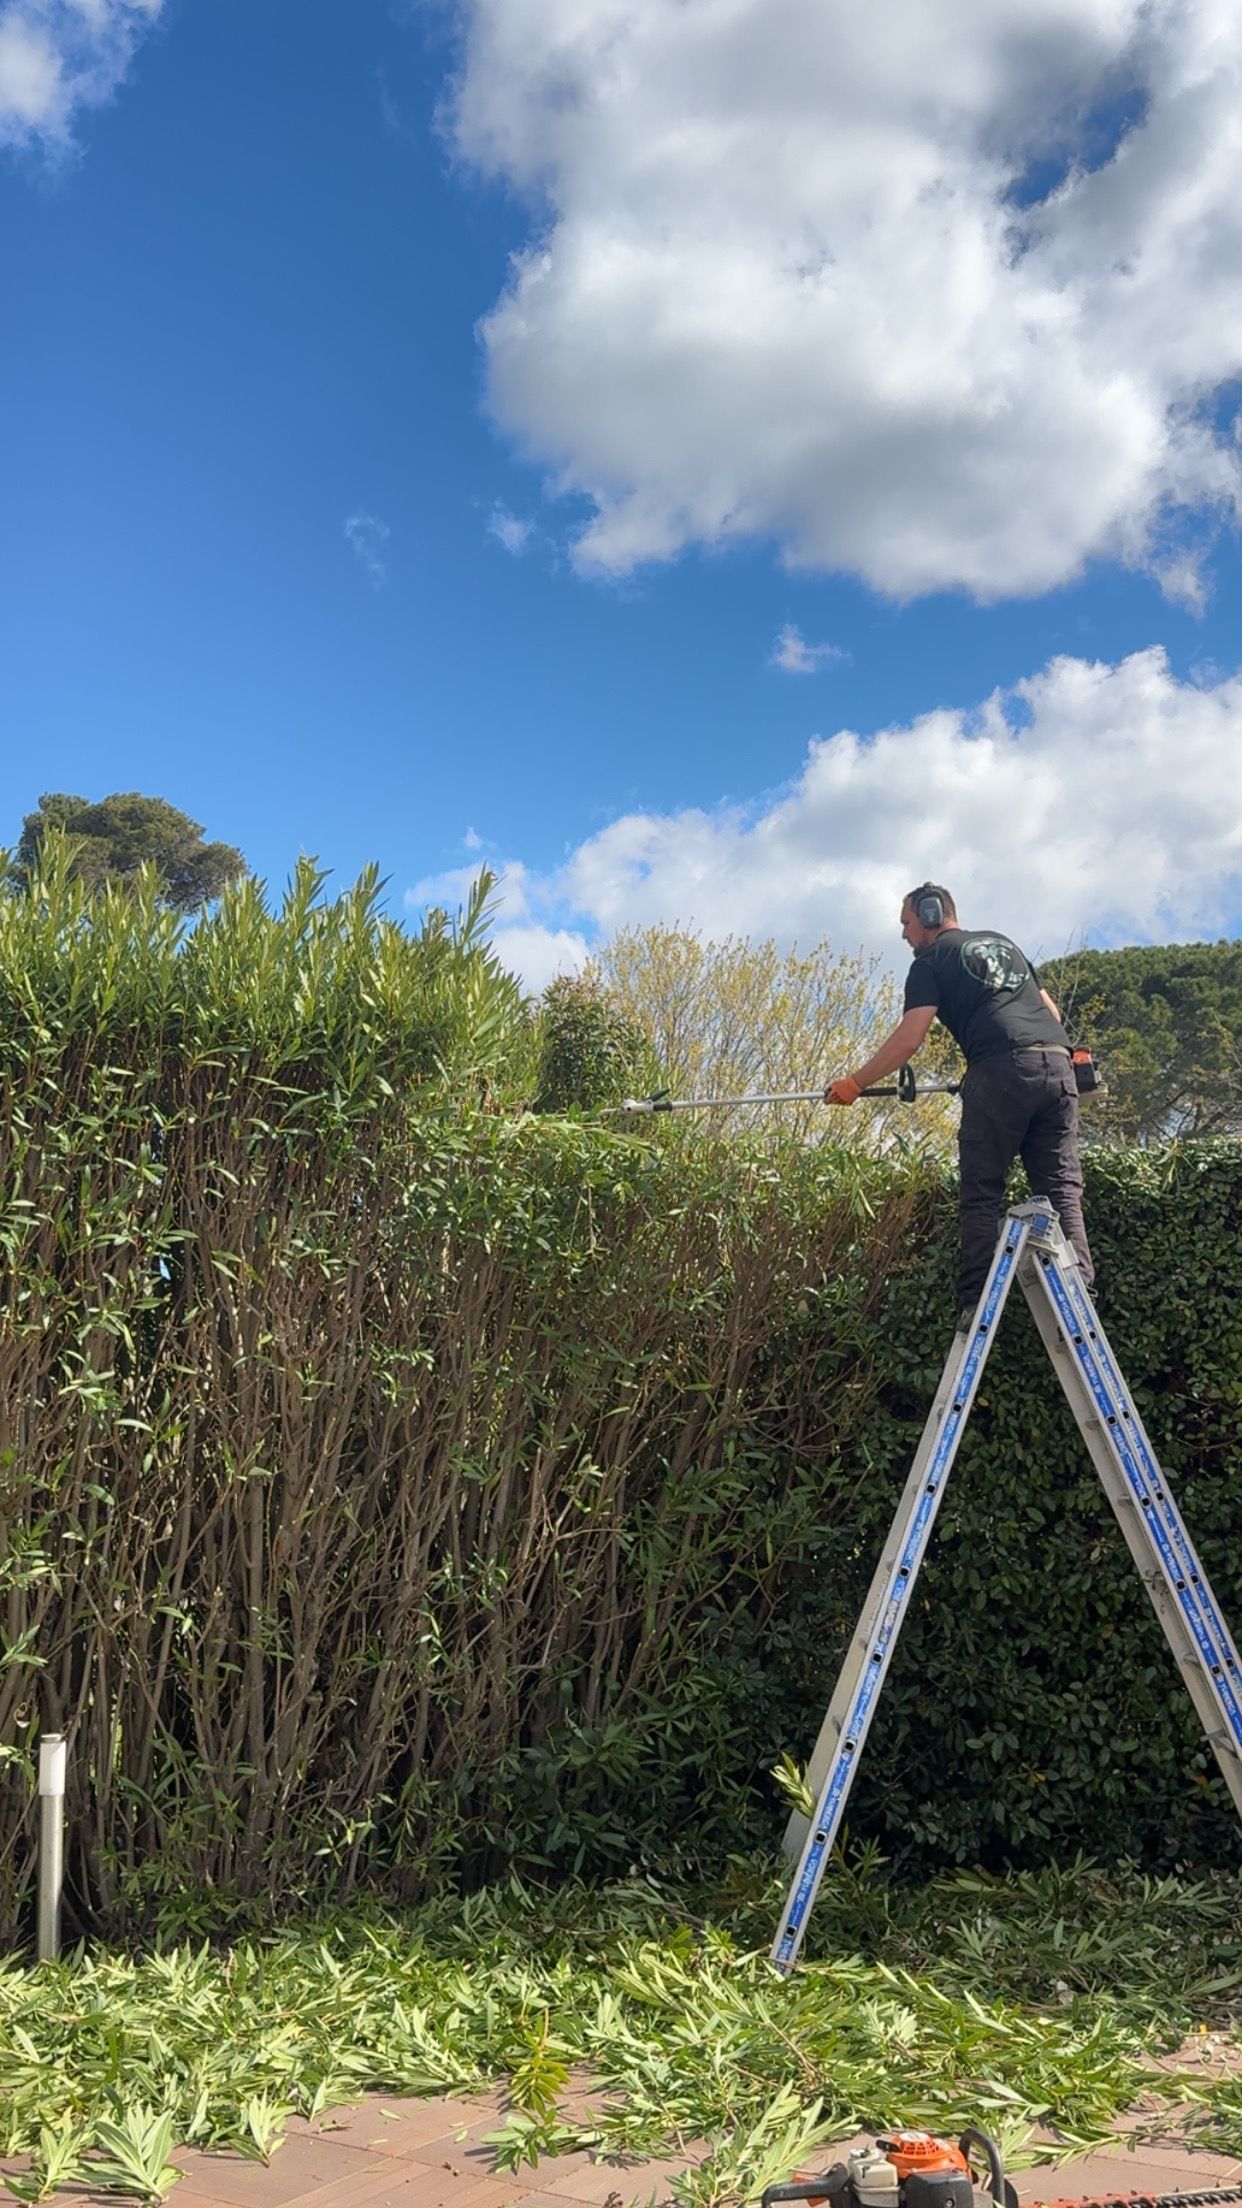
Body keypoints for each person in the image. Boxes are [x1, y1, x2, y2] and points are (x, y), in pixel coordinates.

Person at [825, 883, 1094, 1330]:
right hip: (1057, 1063)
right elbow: (1052, 1014)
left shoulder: (930, 961)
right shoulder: (1003, 945)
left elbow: (910, 1038)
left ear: (929, 916)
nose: (905, 935)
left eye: (907, 924)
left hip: (1000, 1070)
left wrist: (855, 1083)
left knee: (981, 1192)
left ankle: (978, 1302)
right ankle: (1080, 1288)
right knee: (1061, 1185)